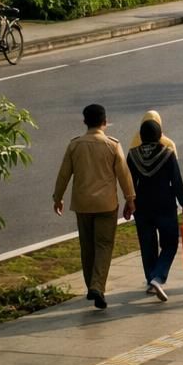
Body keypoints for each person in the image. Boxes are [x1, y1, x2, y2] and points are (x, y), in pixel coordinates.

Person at [53, 103, 135, 309]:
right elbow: (124, 175)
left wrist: (58, 197)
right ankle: (97, 286)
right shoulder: (112, 145)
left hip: (82, 204)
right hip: (106, 204)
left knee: (87, 246)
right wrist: (130, 198)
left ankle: (91, 285)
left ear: (84, 122)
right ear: (105, 122)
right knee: (104, 246)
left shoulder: (74, 145)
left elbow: (64, 174)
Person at [126, 117, 183, 301]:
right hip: (165, 205)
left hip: (141, 205)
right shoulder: (167, 154)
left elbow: (129, 183)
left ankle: (150, 280)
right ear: (160, 135)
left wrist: (129, 202)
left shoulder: (133, 155)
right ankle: (158, 276)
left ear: (141, 136)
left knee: (147, 245)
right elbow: (176, 181)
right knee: (170, 243)